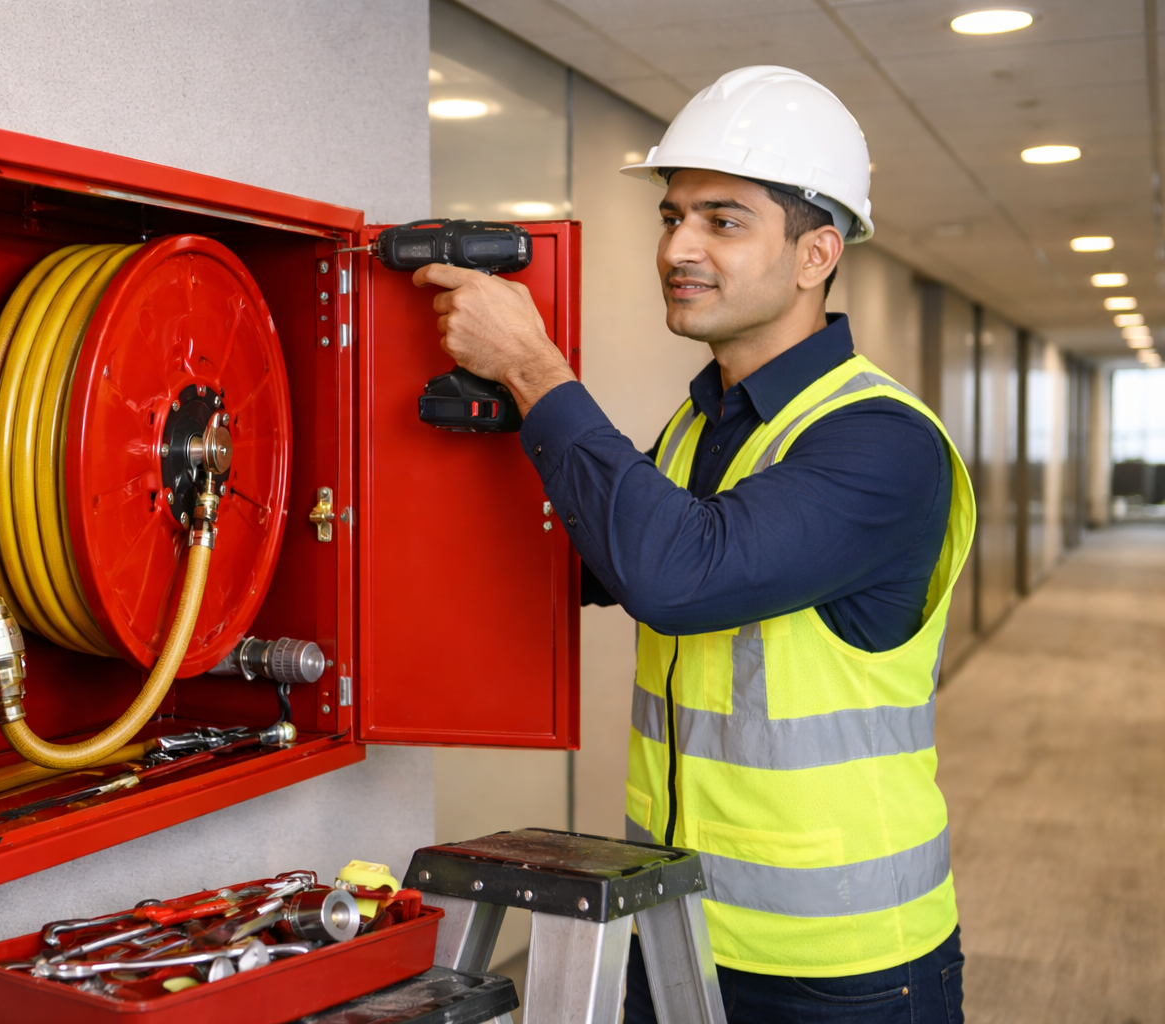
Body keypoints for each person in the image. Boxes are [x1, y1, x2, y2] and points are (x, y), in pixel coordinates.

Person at [412, 66, 973, 1024]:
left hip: (841, 961)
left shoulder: (881, 442)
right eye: (673, 217)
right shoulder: (702, 425)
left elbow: (677, 573)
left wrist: (534, 366)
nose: (678, 246)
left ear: (815, 254)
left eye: (724, 220)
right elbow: (614, 555)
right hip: (677, 928)